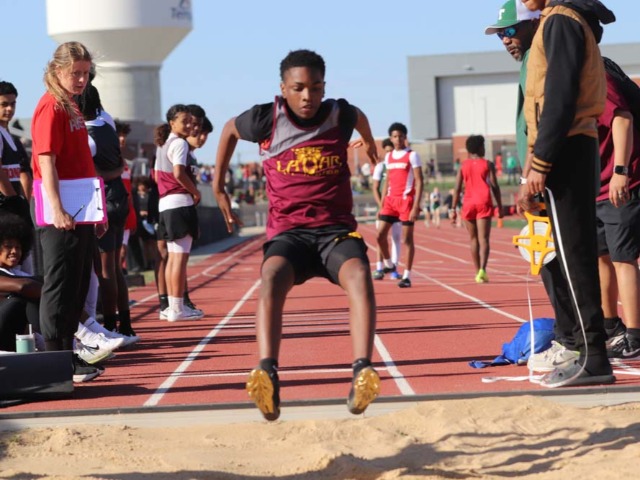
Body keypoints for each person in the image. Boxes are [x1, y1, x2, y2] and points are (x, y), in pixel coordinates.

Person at [213, 49, 380, 421]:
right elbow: (228, 130)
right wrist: (218, 184)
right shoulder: (265, 119)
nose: (308, 96)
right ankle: (267, 373)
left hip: (335, 233)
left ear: (324, 87)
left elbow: (361, 117)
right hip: (290, 234)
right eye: (299, 88)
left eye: (316, 88)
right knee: (271, 276)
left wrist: (369, 142)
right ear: (283, 88)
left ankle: (362, 370)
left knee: (359, 274)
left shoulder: (340, 115)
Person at [520, 0, 616, 387]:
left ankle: (593, 357)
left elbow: (559, 96)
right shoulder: (561, 20)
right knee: (573, 254)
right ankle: (589, 352)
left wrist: (541, 163)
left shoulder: (560, 21)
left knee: (575, 258)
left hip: (568, 147)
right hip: (571, 145)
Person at [30, 41, 106, 382]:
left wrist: (96, 212)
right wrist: (57, 208)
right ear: (58, 70)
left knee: (77, 284)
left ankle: (69, 355)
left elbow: (82, 163)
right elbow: (46, 160)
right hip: (60, 208)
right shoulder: (51, 106)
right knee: (60, 285)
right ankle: (55, 361)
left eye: (86, 74)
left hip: (80, 206)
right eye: (75, 73)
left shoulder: (71, 105)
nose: (81, 80)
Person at [77, 84, 136, 338]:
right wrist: (114, 172)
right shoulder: (108, 124)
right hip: (119, 198)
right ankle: (126, 324)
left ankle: (111, 325)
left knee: (104, 271)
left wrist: (104, 174)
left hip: (102, 202)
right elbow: (119, 164)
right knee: (114, 268)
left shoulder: (86, 136)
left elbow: (92, 174)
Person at [595, 59, 640, 359]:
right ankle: (611, 327)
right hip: (595, 185)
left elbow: (622, 118)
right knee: (601, 256)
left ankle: (635, 336)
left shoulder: (597, 77)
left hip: (620, 182)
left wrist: (620, 172)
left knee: (623, 258)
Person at [154, 104, 203, 322]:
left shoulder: (162, 145)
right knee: (180, 259)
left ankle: (171, 306)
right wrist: (195, 192)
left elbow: (157, 176)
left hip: (165, 205)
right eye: (185, 121)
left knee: (173, 258)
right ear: (172, 123)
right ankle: (177, 308)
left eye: (191, 121)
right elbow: (178, 173)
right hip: (179, 203)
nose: (189, 125)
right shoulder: (180, 143)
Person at [375, 122, 423, 288]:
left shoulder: (412, 155)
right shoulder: (388, 157)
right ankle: (389, 264)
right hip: (390, 201)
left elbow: (420, 181)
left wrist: (416, 206)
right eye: (395, 136)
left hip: (406, 202)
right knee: (380, 236)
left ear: (405, 137)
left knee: (407, 240)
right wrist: (382, 204)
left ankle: (407, 276)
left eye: (401, 136)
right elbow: (387, 180)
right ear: (391, 138)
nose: (398, 139)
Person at [451, 135, 503, 283]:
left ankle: (476, 271)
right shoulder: (488, 164)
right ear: (480, 148)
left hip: (468, 203)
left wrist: (453, 209)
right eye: (483, 146)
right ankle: (483, 270)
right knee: (484, 239)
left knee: (473, 239)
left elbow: (457, 188)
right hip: (483, 201)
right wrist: (500, 206)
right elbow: (494, 186)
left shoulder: (463, 165)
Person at [371, 138, 401, 280]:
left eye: (391, 151)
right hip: (384, 206)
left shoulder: (399, 165)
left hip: (398, 205)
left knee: (396, 238)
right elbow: (375, 188)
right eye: (387, 151)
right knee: (380, 236)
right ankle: (379, 267)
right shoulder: (380, 167)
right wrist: (381, 205)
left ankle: (394, 268)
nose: (389, 153)